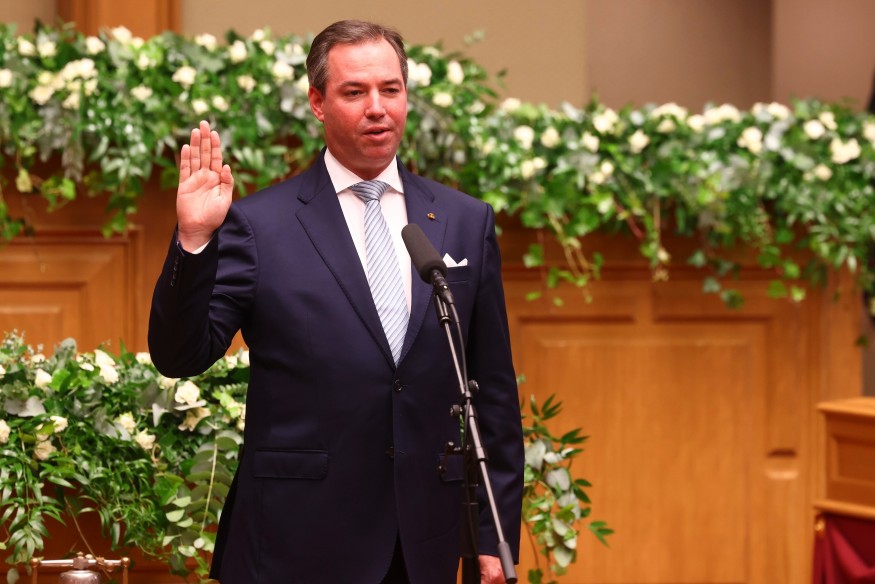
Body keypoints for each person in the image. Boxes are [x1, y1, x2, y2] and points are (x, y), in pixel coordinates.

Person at [148, 19, 524, 584]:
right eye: (354, 92)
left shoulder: (463, 221)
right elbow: (180, 355)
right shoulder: (260, 225)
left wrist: (494, 537)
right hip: (294, 540)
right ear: (318, 103)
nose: (377, 108)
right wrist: (195, 240)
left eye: (390, 89)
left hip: (421, 541)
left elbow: (491, 390)